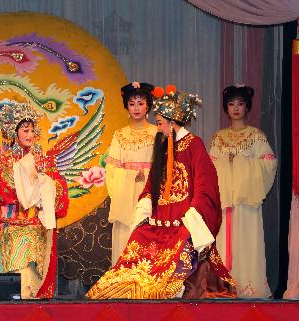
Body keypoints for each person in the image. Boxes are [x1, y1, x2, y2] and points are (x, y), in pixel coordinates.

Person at [87, 85, 236, 299]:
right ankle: (127, 288)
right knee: (139, 236)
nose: (158, 128)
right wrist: (145, 204)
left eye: (160, 124)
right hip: (160, 219)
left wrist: (193, 215)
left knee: (182, 245)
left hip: (183, 220)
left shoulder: (194, 145)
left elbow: (206, 185)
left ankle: (172, 287)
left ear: (172, 123)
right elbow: (152, 184)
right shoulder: (163, 146)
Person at [0, 101, 69, 299]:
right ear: (14, 132)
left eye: (32, 130)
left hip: (34, 223)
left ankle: (32, 300)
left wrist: (45, 184)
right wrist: (28, 189)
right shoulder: (2, 161)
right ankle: (15, 299)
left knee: (34, 269)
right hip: (11, 224)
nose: (29, 134)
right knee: (16, 266)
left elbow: (59, 189)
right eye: (24, 130)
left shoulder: (44, 160)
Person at [209, 85, 277, 298]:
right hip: (224, 200)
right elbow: (210, 168)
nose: (236, 108)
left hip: (246, 200)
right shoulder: (218, 138)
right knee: (222, 241)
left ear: (247, 107)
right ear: (226, 108)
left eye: (240, 103)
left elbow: (269, 163)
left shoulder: (256, 136)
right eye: (231, 104)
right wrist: (226, 164)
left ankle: (250, 287)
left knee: (247, 240)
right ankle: (224, 285)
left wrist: (240, 162)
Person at [106, 82, 157, 265]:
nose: (136, 108)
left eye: (141, 103)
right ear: (126, 106)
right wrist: (128, 176)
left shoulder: (157, 133)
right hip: (125, 196)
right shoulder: (119, 135)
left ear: (148, 105)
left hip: (149, 194)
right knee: (125, 237)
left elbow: (164, 167)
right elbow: (111, 170)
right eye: (132, 103)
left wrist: (146, 172)